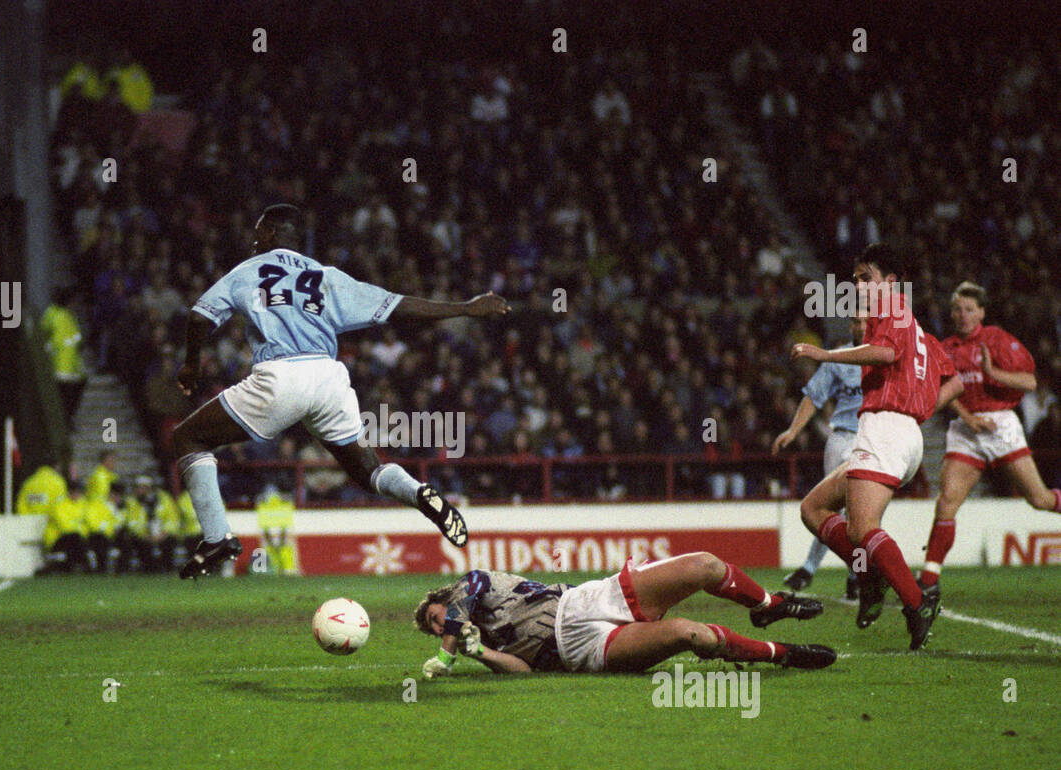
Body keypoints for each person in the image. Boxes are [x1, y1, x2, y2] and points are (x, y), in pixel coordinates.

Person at [173, 203, 508, 577]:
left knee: (188, 438)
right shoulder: (327, 276)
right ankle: (418, 492)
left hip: (282, 374)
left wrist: (191, 364)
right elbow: (399, 306)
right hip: (329, 378)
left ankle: (218, 537)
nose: (254, 239)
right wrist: (466, 307)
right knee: (368, 469)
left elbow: (199, 317)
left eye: (258, 232)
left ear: (269, 233)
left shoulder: (247, 271)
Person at [793, 244, 963, 650]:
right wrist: (917, 411)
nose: (858, 284)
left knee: (863, 527)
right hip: (900, 432)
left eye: (865, 276)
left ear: (889, 281)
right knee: (813, 509)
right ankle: (871, 581)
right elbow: (954, 381)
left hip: (885, 428)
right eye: (855, 278)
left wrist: (825, 353)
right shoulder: (918, 327)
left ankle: (917, 602)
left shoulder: (892, 306)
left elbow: (885, 352)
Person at [415, 555, 831, 678]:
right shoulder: (476, 640)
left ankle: (768, 607)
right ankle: (783, 654)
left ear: (444, 599)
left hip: (584, 601)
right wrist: (478, 654)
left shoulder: (478, 587)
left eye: (436, 617)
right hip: (580, 649)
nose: (441, 626)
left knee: (705, 566)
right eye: (435, 627)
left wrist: (447, 652)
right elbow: (523, 670)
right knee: (693, 635)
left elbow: (466, 592)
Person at [918, 282, 1061, 596]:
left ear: (982, 312)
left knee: (1040, 500)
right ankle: (928, 581)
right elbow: (945, 390)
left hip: (1000, 425)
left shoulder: (996, 339)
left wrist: (993, 372)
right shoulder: (946, 347)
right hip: (966, 429)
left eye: (969, 309)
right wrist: (967, 417)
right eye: (957, 308)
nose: (962, 314)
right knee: (946, 501)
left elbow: (1029, 382)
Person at [774, 314, 865, 598]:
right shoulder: (838, 358)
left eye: (866, 321)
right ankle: (818, 569)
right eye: (856, 322)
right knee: (829, 510)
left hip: (871, 439)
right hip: (841, 439)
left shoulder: (888, 357)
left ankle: (850, 574)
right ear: (850, 326)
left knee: (862, 513)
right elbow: (814, 395)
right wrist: (793, 430)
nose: (860, 326)